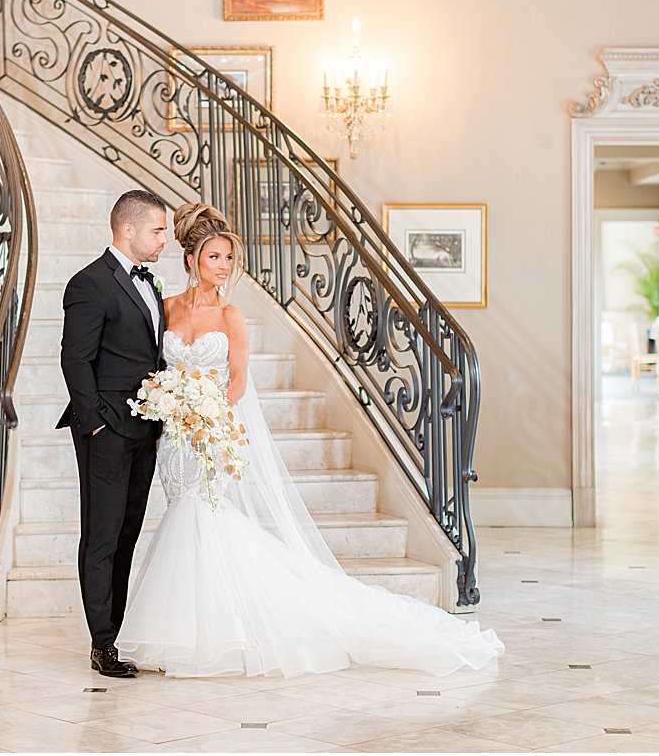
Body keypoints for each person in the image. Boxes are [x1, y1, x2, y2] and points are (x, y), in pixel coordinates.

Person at [115, 203, 504, 677]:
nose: (223, 267)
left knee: (202, 513)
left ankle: (209, 635)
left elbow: (237, 382)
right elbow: (155, 367)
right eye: (215, 257)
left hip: (212, 430)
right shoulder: (166, 307)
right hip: (173, 436)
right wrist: (169, 403)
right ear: (193, 258)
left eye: (229, 260)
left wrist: (204, 410)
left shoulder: (232, 316)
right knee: (182, 511)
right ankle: (185, 627)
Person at [57, 189, 170, 678]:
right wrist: (96, 422)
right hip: (106, 430)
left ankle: (115, 633)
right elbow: (75, 358)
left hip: (145, 428)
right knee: (102, 536)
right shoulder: (90, 283)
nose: (164, 238)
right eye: (158, 230)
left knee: (128, 533)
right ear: (129, 229)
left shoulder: (151, 282)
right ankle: (102, 644)